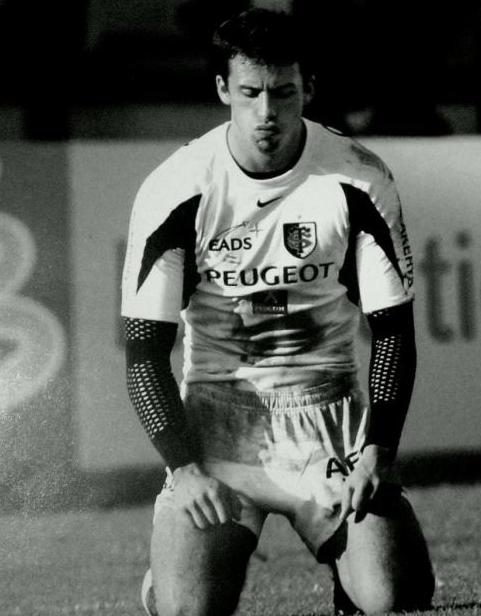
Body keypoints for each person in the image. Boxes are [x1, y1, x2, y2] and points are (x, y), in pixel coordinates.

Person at [121, 8, 435, 616]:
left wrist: (379, 449)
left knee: (395, 600)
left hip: (330, 418)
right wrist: (183, 467)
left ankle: (354, 574)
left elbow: (394, 331)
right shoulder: (174, 188)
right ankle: (168, 582)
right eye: (250, 93)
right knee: (188, 611)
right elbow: (144, 352)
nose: (267, 112)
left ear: (308, 88)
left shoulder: (359, 177)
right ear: (223, 89)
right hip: (218, 423)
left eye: (283, 92)